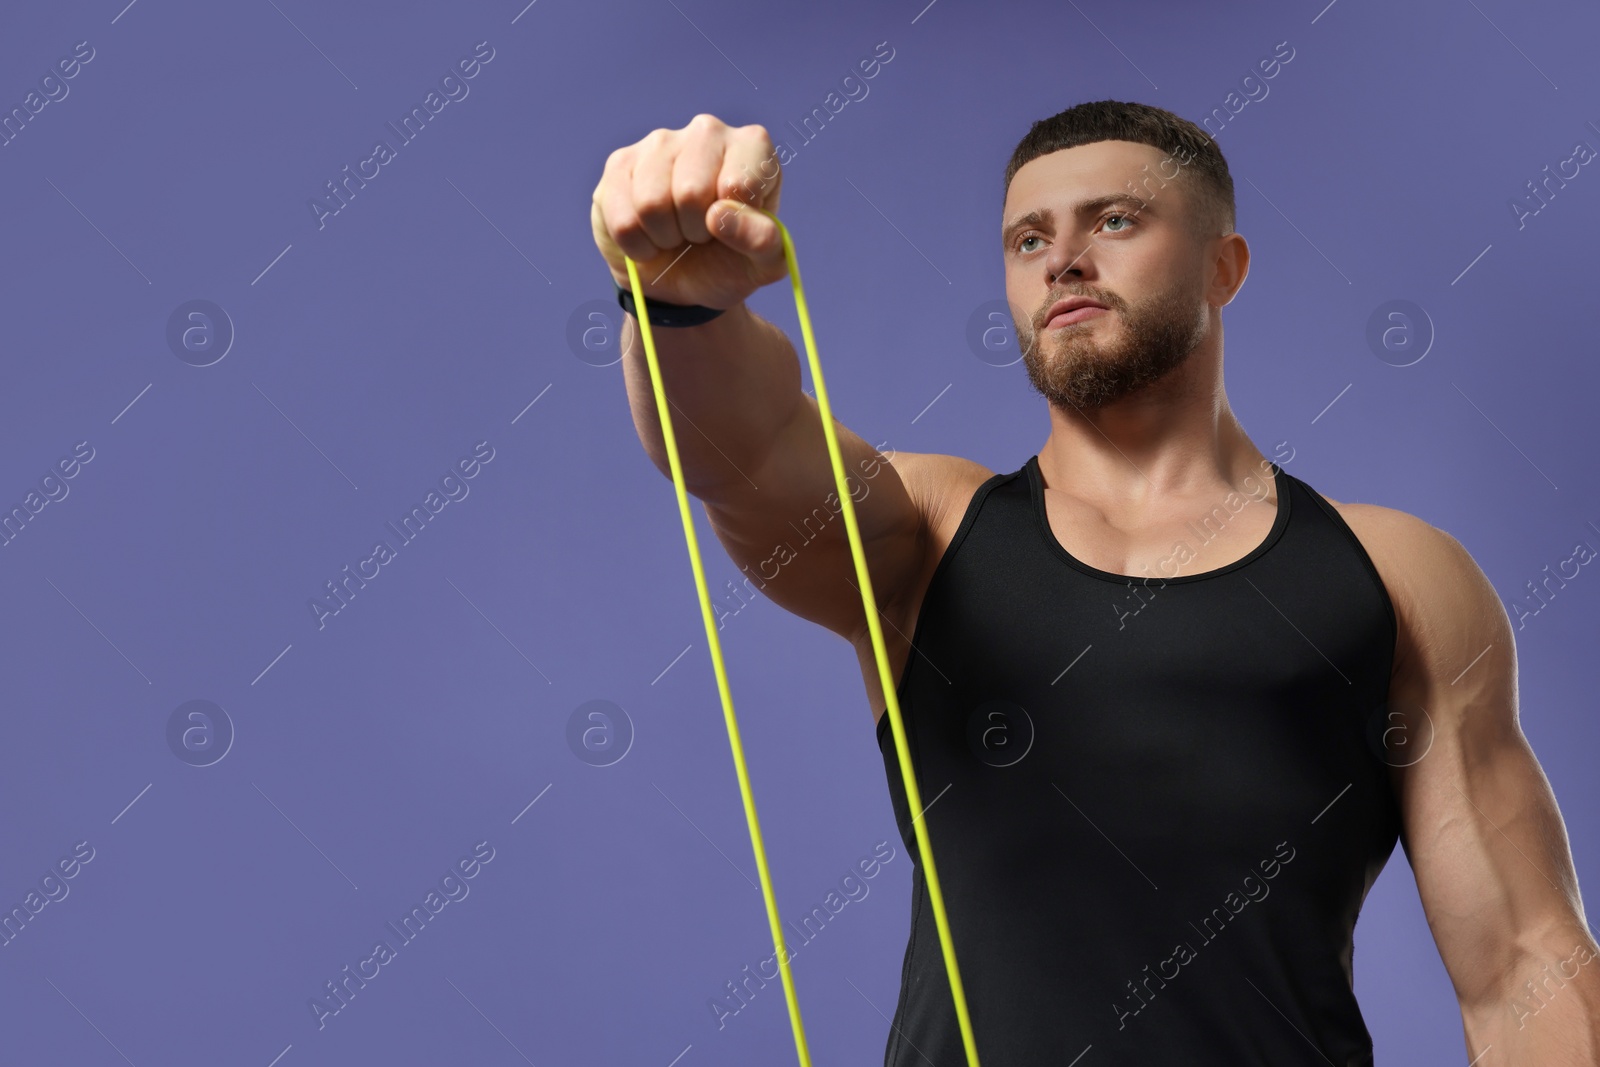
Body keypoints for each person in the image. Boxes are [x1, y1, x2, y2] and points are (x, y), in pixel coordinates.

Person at [589, 101, 1599, 1065]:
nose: (1063, 256)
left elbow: (1523, 961)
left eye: (1115, 220)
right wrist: (678, 302)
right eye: (1028, 239)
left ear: (1223, 265)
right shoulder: (928, 533)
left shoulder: (1396, 572)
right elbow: (742, 448)